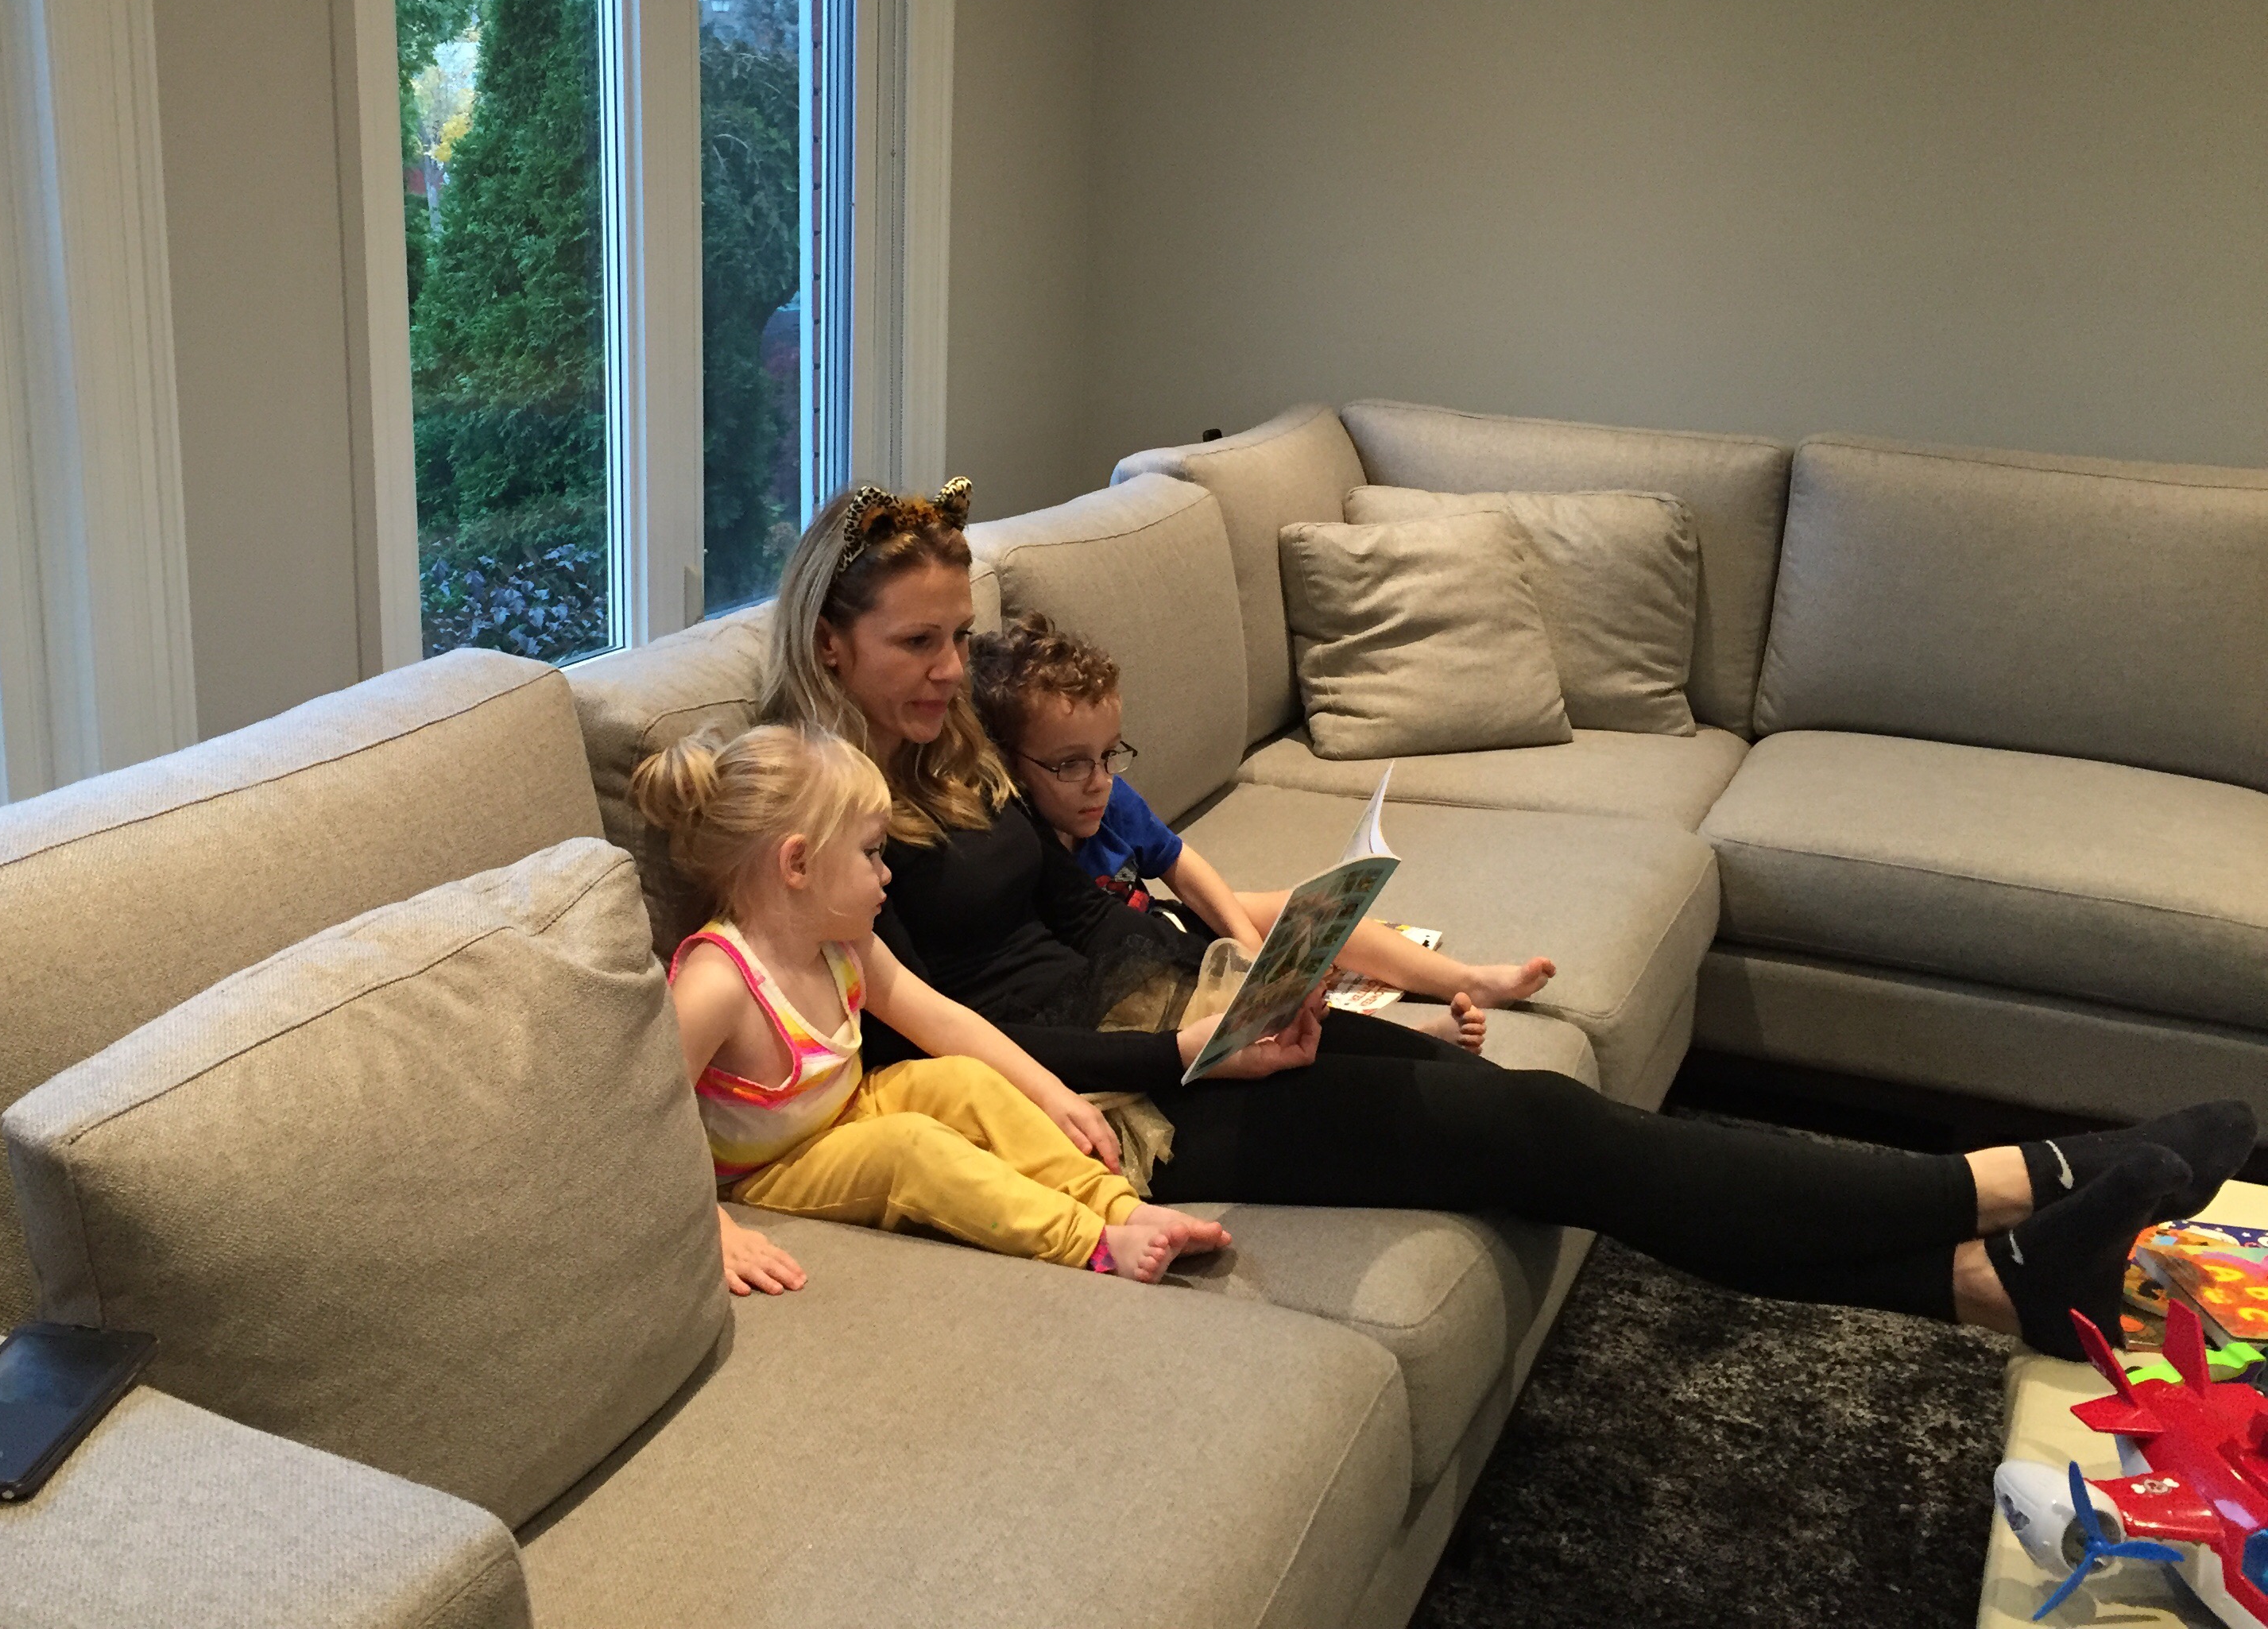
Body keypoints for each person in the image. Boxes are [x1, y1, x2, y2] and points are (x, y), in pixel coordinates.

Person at [755, 476, 2259, 1360]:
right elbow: (911, 1037)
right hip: (1117, 1106)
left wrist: (1250, 962)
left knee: (1527, 1114)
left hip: (1190, 1008)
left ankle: (1988, 1284)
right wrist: (1191, 1053)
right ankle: (2017, 1180)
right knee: (1544, 1134)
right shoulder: (810, 811)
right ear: (829, 640)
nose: (950, 668)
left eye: (958, 634)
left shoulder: (953, 747)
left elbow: (1099, 886)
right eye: (918, 642)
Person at [632, 720, 1233, 1296]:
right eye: (871, 853)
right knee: (910, 1147)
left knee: (964, 1079)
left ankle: (1120, 1207)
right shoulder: (718, 982)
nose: (887, 873)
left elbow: (944, 1022)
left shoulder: (844, 942)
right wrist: (713, 1226)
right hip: (769, 1168)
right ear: (798, 864)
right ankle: (1092, 1243)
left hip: (850, 1107)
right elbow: (647, 1123)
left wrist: (1052, 1093)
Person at [969, 609, 1544, 1054]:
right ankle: (1419, 1040)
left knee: (1314, 911)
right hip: (1141, 973)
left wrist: (1250, 948)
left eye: (1108, 755)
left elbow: (1182, 866)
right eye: (1071, 764)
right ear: (1009, 764)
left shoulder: (1109, 797)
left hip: (1161, 920)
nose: (1099, 782)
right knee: (1266, 1017)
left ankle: (1468, 979)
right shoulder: (1020, 850)